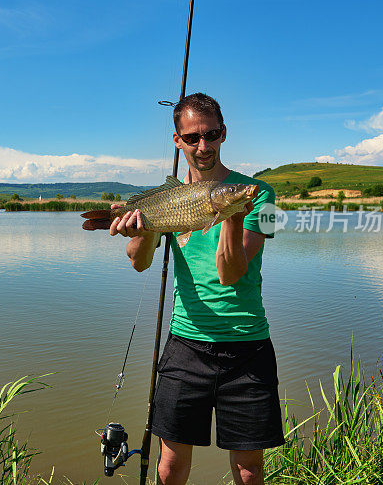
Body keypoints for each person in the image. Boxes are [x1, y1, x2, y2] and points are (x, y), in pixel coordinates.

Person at [109, 93, 283, 485]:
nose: (203, 146)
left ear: (224, 134)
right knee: (169, 466)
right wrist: (141, 230)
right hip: (186, 343)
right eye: (192, 138)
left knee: (250, 471)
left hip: (247, 347)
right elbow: (138, 262)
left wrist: (233, 212)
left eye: (211, 134)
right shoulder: (164, 199)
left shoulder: (263, 195)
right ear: (178, 141)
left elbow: (231, 273)